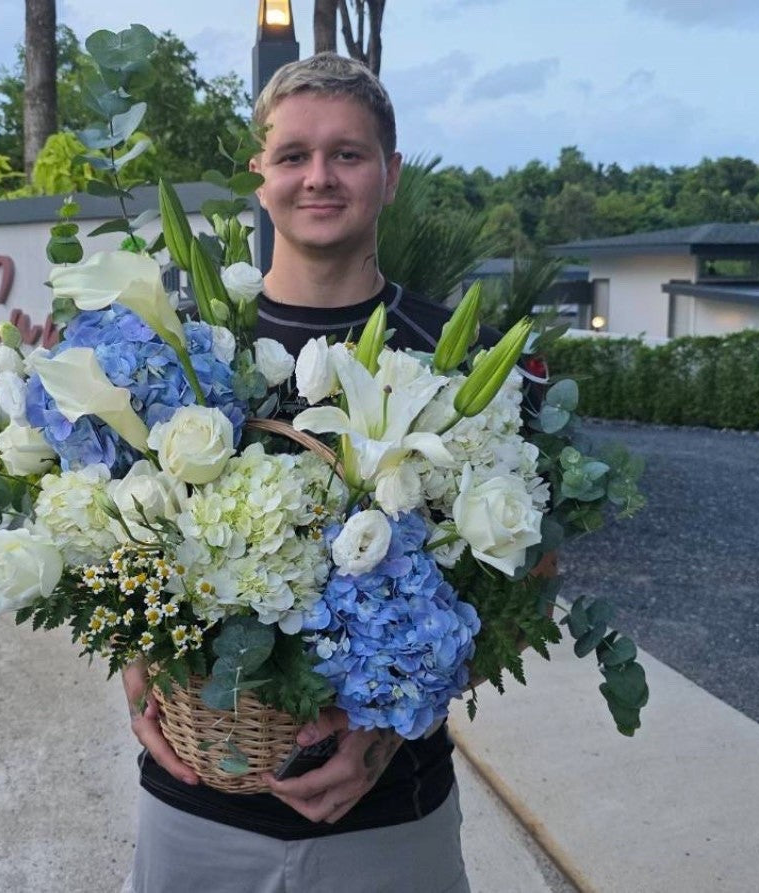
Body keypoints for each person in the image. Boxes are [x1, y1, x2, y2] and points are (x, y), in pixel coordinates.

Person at [122, 52, 480, 893]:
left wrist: (387, 728)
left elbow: (525, 575)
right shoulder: (187, 343)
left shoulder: (453, 354)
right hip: (197, 807)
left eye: (347, 154)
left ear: (390, 174)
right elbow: (116, 528)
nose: (318, 176)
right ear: (260, 175)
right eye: (293, 155)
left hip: (391, 815)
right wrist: (134, 650)